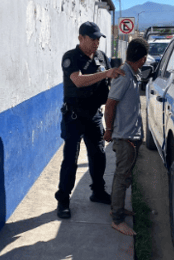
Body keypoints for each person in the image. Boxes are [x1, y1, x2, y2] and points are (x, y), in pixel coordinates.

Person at [55, 21, 125, 219]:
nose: (96, 43)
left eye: (98, 39)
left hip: (94, 114)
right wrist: (105, 73)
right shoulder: (71, 57)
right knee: (71, 158)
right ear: (81, 38)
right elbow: (77, 80)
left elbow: (111, 79)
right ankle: (63, 200)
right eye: (92, 39)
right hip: (74, 116)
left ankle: (98, 191)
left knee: (98, 155)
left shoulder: (102, 56)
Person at [104, 37, 149, 236]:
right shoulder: (123, 76)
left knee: (125, 175)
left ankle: (118, 208)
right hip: (124, 138)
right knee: (121, 177)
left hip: (131, 136)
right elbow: (110, 104)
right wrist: (108, 131)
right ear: (143, 58)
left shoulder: (133, 74)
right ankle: (117, 219)